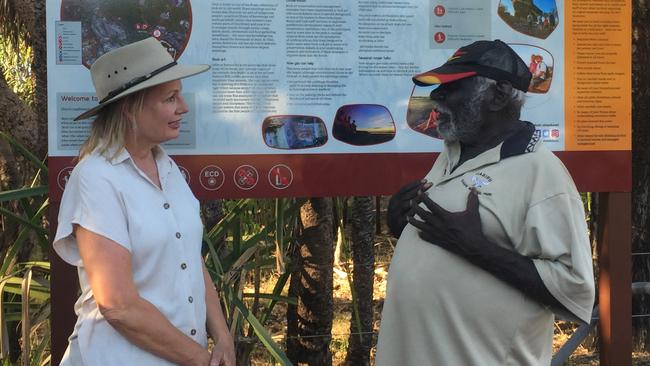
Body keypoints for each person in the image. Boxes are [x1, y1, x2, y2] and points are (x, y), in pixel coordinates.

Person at [376, 40, 595, 365]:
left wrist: (476, 248)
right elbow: (443, 243)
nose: (437, 97)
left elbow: (576, 291)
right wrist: (400, 225)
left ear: (499, 94)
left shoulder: (541, 174)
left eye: (453, 87)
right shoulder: (451, 154)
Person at [54, 37, 235, 366]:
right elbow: (117, 304)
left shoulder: (168, 170)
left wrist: (222, 336)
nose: (184, 107)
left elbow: (189, 259)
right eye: (170, 98)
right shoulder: (96, 178)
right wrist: (199, 358)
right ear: (130, 108)